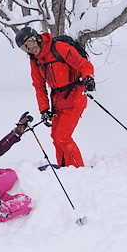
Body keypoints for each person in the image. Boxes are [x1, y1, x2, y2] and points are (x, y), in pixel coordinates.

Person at [15, 26, 95, 168]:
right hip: (57, 100)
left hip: (75, 95)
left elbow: (83, 64)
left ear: (37, 38)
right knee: (56, 138)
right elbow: (39, 86)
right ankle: (64, 168)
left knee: (63, 137)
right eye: (25, 48)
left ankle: (78, 171)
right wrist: (44, 109)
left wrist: (88, 77)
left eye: (30, 43)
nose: (30, 48)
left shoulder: (58, 47)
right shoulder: (35, 61)